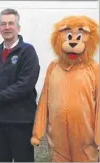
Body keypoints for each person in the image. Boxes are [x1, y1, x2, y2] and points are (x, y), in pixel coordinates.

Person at [31, 15, 99, 162]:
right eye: (69, 36)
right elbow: (44, 101)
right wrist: (37, 133)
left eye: (79, 37)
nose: (73, 42)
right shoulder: (53, 67)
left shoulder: (94, 69)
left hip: (86, 141)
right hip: (57, 139)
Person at [0, 8, 40, 162]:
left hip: (21, 122)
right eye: (3, 24)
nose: (7, 27)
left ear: (18, 27)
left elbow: (25, 85)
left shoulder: (27, 51)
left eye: (11, 23)